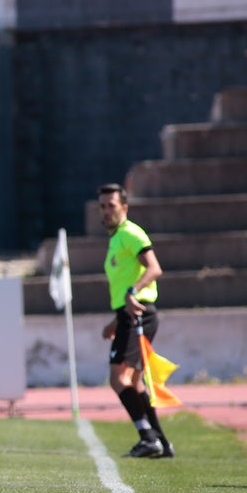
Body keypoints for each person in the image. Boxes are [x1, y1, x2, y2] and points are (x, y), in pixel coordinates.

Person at [97, 183, 174, 459]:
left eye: (112, 206)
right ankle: (161, 442)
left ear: (124, 208)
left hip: (138, 313)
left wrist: (133, 292)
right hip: (128, 315)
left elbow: (154, 268)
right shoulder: (116, 239)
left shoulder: (130, 233)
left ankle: (147, 436)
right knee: (136, 382)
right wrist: (115, 321)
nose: (106, 212)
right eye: (103, 206)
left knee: (118, 378)